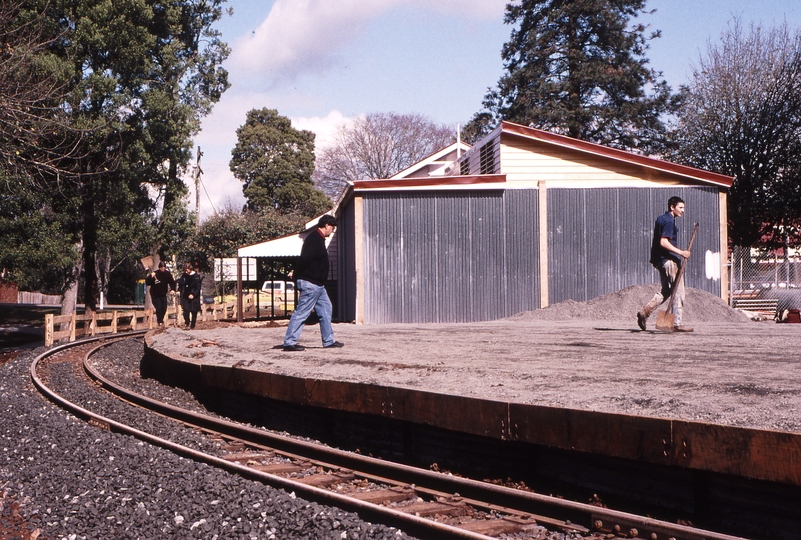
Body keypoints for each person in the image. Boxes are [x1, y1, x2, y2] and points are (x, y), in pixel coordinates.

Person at [283, 214, 344, 351]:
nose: (332, 231)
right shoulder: (314, 239)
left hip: (318, 285)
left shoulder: (318, 239)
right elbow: (304, 259)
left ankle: (328, 340)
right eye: (332, 228)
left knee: (326, 309)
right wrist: (296, 274)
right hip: (310, 283)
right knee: (302, 312)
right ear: (327, 225)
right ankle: (289, 342)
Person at [637, 196, 693, 332]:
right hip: (670, 261)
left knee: (667, 291)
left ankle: (645, 312)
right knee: (679, 292)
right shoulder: (669, 221)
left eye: (683, 208)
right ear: (672, 207)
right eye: (680, 207)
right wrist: (681, 253)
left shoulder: (661, 218)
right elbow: (663, 242)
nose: (683, 211)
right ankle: (677, 324)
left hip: (660, 260)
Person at [145, 261, 176, 327]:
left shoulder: (167, 274)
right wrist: (150, 276)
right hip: (155, 295)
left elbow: (172, 282)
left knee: (164, 308)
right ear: (159, 268)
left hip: (163, 295)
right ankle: (160, 322)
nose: (163, 268)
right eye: (161, 267)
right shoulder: (155, 274)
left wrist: (173, 289)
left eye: (164, 267)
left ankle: (160, 320)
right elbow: (147, 283)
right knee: (158, 307)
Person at [177, 263, 202, 329]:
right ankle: (187, 323)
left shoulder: (196, 276)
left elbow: (198, 287)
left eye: (187, 270)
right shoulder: (184, 276)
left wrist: (193, 294)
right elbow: (181, 284)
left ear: (190, 269)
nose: (186, 272)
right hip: (185, 295)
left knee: (194, 311)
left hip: (194, 297)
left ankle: (192, 325)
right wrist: (179, 290)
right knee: (186, 310)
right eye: (185, 270)